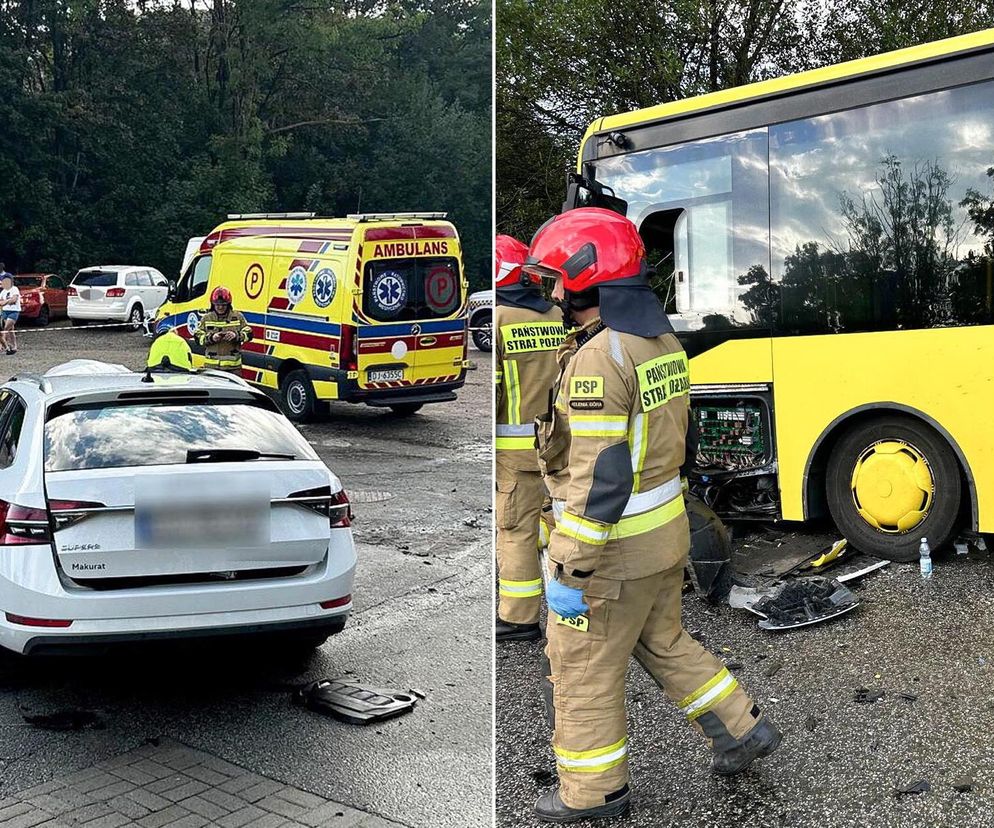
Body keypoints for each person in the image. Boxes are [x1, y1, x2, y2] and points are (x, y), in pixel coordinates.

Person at [526, 208, 781, 823]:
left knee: (583, 671)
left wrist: (568, 567)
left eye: (557, 278)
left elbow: (600, 478)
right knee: (663, 640)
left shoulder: (598, 358)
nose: (553, 292)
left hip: (609, 556)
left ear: (586, 275)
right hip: (663, 540)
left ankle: (593, 796)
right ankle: (741, 727)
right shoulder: (660, 341)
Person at [494, 235, 566, 642]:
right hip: (556, 444)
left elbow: (498, 392)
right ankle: (572, 607)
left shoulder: (501, 318)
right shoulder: (556, 314)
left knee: (516, 529)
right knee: (558, 524)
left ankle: (518, 617)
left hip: (513, 450)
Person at [194, 286, 252, 373]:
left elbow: (249, 333)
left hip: (233, 368)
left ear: (228, 304)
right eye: (217, 305)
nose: (220, 307)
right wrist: (211, 338)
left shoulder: (238, 317)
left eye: (223, 305)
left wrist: (236, 335)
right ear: (213, 304)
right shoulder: (207, 318)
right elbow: (198, 337)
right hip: (212, 368)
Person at [0, 271, 21, 355]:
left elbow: (14, 300)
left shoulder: (14, 289)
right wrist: (8, 301)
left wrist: (6, 301)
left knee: (5, 329)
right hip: (5, 311)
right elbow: (1, 303)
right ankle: (14, 346)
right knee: (11, 330)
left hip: (14, 311)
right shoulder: (3, 292)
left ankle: (2, 346)